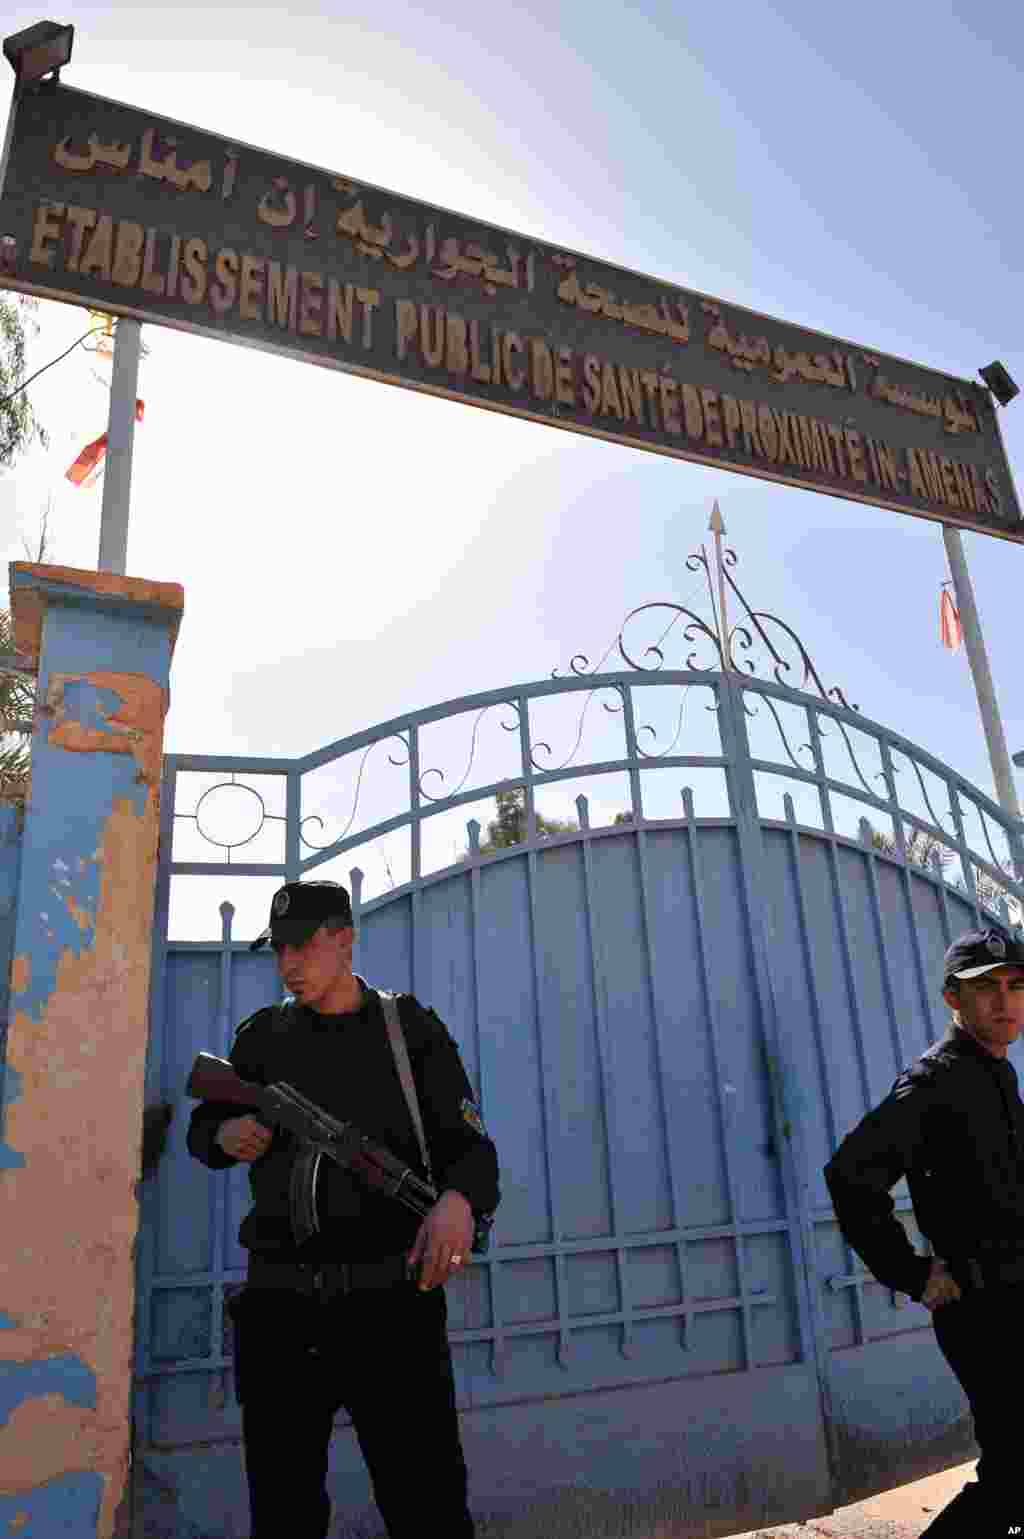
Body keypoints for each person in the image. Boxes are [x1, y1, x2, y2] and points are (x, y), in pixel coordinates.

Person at [187, 879, 500, 1539]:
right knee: (284, 1512)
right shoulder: (263, 1036)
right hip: (282, 1309)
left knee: (430, 1505)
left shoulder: (408, 1029)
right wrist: (222, 1135)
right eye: (278, 950)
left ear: (345, 938)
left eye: (302, 945)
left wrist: (459, 1201)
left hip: (392, 1304)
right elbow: (202, 1127)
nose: (288, 964)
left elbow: (470, 1150)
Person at [823, 925, 1024, 1536]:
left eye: (1015, 986)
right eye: (984, 988)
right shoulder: (933, 1082)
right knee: (1017, 1475)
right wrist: (913, 1272)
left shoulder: (998, 1073)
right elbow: (851, 1176)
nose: (1005, 1002)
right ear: (952, 1000)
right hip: (982, 1307)